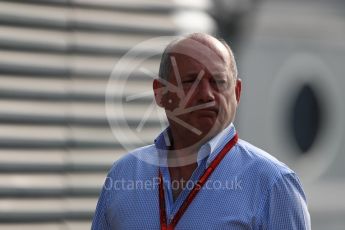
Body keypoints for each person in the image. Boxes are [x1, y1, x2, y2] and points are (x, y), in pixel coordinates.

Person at [92, 33, 311, 229]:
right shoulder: (123, 174)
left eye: (218, 81)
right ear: (160, 93)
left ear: (237, 92)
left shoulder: (273, 184)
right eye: (190, 82)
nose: (206, 94)